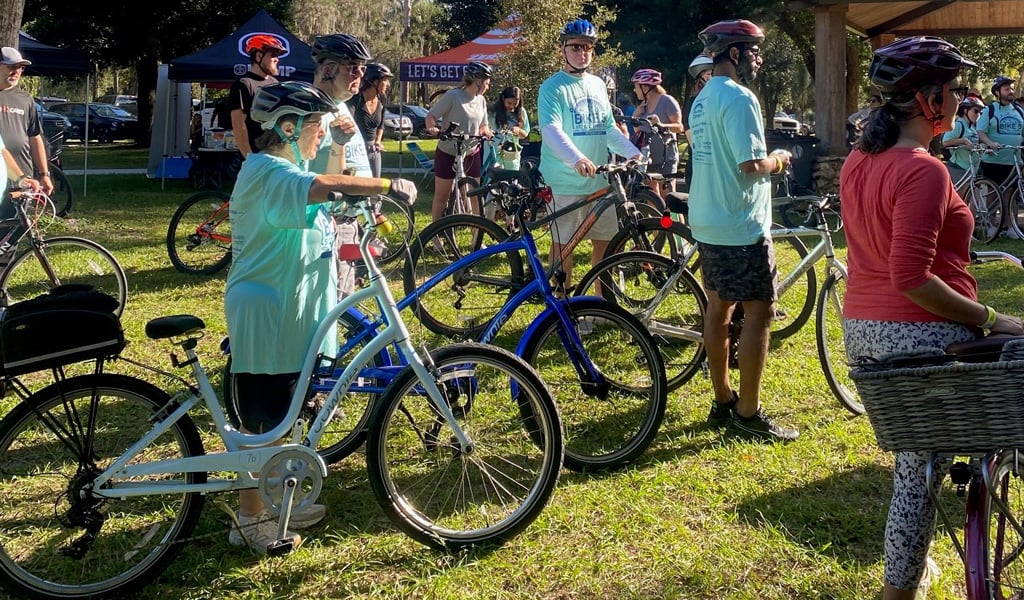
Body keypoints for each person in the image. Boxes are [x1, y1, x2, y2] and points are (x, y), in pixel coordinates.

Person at [840, 36, 1023, 599]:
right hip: (920, 332)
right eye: (952, 89)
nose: (960, 98)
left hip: (863, 333)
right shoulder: (922, 170)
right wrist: (993, 316)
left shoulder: (857, 160)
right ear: (927, 101)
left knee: (916, 472)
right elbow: (912, 277)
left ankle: (900, 588)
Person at [225, 80, 417, 554]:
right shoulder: (267, 170)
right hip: (267, 310)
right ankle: (250, 518)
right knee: (262, 421)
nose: (320, 133)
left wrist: (336, 145)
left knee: (289, 410)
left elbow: (323, 181)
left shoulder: (286, 164)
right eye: (315, 125)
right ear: (287, 128)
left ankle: (281, 493)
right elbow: (325, 185)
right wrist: (386, 183)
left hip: (294, 307)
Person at [687, 19, 798, 442]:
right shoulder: (739, 98)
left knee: (718, 310)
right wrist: (781, 158)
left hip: (707, 217)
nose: (757, 58)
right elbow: (750, 165)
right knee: (759, 311)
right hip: (740, 222)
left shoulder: (701, 99)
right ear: (733, 53)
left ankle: (722, 399)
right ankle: (748, 415)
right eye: (752, 51)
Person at [537, 18, 641, 288]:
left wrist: (633, 153)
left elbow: (607, 128)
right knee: (564, 247)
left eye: (588, 48)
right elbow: (550, 129)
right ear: (563, 49)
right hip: (565, 181)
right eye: (575, 47)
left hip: (599, 181)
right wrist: (576, 159)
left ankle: (602, 304)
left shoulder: (596, 85)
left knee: (606, 245)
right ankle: (561, 306)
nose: (582, 52)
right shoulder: (552, 87)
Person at [307, 33, 374, 299]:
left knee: (343, 300)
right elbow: (301, 173)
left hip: (350, 218)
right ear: (327, 70)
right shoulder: (313, 111)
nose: (360, 74)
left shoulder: (341, 105)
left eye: (363, 68)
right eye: (352, 67)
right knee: (330, 305)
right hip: (327, 223)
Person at [424, 60, 493, 221]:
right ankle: (435, 235)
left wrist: (487, 133)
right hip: (448, 151)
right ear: (478, 81)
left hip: (471, 152)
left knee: (475, 195)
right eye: (487, 83)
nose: (488, 87)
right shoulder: (453, 96)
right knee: (442, 196)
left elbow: (483, 125)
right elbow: (431, 116)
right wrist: (432, 128)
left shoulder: (481, 100)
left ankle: (477, 236)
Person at [0, 47, 53, 197]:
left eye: (20, 68)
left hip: (24, 179)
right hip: (2, 177)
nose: (16, 71)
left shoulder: (25, 98)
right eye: (11, 66)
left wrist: (44, 174)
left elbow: (35, 136)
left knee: (21, 221)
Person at [228, 35, 286, 158]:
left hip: (276, 154)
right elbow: (238, 124)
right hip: (255, 155)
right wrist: (249, 158)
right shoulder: (243, 84)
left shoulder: (274, 82)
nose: (277, 59)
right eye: (273, 55)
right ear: (259, 56)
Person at [630, 68, 683, 196]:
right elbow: (638, 132)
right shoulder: (643, 106)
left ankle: (671, 218)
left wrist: (661, 125)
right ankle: (656, 217)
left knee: (669, 199)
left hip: (667, 157)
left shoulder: (667, 101)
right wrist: (635, 116)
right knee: (652, 198)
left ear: (645, 87)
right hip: (649, 158)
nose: (634, 90)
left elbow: (679, 127)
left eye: (636, 86)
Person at [975, 75, 1024, 186]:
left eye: (1011, 88)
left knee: (1010, 194)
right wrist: (990, 143)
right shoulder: (990, 110)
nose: (1011, 91)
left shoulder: (1019, 111)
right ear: (997, 92)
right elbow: (980, 131)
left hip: (1015, 161)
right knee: (993, 194)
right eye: (1006, 89)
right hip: (993, 161)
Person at [347, 62, 393, 177]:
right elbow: (348, 125)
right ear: (375, 82)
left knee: (375, 184)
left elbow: (381, 124)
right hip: (355, 150)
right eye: (385, 80)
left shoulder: (382, 98)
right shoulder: (356, 99)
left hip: (373, 149)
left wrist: (378, 141)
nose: (388, 84)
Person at [681, 54, 713, 192]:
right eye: (711, 73)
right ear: (705, 76)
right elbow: (694, 142)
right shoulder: (694, 103)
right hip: (700, 166)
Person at [941, 95, 984, 183]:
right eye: (975, 111)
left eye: (980, 112)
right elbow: (945, 142)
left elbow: (973, 143)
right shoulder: (958, 125)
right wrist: (963, 141)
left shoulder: (973, 127)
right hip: (959, 168)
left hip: (972, 169)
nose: (978, 115)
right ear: (965, 110)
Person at [487, 86, 530, 171]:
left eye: (515, 104)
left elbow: (525, 134)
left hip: (511, 155)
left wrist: (518, 130)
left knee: (511, 180)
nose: (512, 107)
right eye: (509, 103)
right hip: (494, 152)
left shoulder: (521, 112)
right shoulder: (492, 111)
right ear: (503, 99)